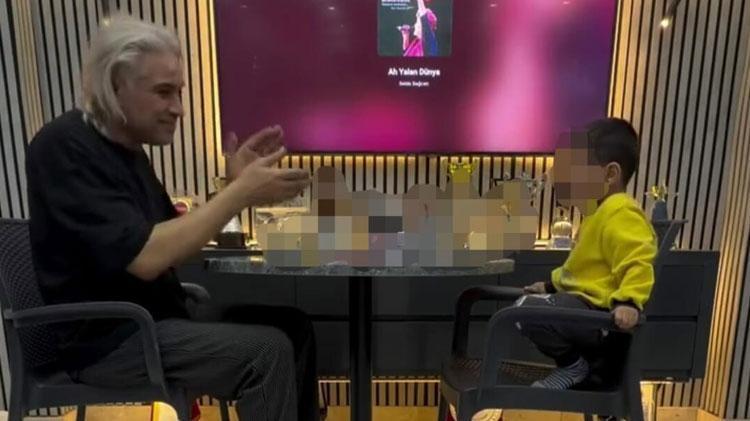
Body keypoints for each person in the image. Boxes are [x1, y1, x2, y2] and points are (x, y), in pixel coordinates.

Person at [26, 16, 318, 421]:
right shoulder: (64, 146)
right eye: (164, 92)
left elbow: (176, 243)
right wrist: (239, 194)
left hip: (154, 319)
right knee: (266, 352)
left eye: (178, 93)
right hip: (111, 340)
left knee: (293, 328)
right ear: (115, 86)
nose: (178, 109)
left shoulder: (128, 152)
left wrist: (231, 186)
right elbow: (147, 258)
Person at [517, 118, 657, 390]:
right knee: (526, 307)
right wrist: (548, 286)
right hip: (584, 308)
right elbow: (582, 269)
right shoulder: (597, 214)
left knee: (527, 311)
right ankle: (572, 366)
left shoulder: (622, 211)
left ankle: (573, 367)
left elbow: (638, 259)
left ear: (610, 175)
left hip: (599, 317)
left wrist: (629, 302)